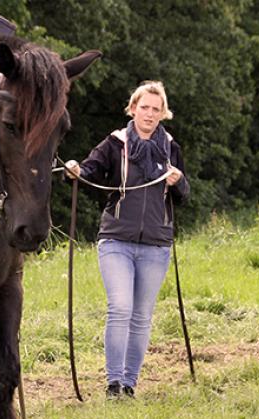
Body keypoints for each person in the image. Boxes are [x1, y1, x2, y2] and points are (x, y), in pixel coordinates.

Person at [66, 81, 190, 398]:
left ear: (163, 114)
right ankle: (113, 383)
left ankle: (129, 386)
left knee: (141, 316)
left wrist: (178, 182)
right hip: (116, 240)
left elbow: (184, 196)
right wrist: (75, 169)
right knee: (120, 308)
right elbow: (90, 170)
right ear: (133, 109)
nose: (149, 114)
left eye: (155, 109)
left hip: (156, 244)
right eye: (143, 107)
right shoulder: (115, 143)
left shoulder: (171, 148)